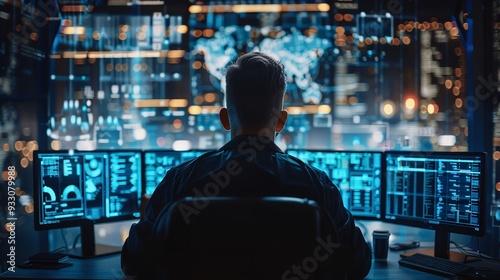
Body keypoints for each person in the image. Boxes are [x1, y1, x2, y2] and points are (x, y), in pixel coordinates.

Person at [121, 51, 372, 279]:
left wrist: (148, 218)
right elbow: (357, 263)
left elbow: (133, 261)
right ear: (281, 121)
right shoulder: (317, 186)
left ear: (225, 119)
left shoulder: (179, 181)